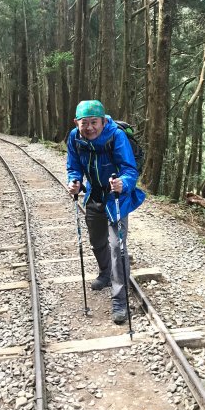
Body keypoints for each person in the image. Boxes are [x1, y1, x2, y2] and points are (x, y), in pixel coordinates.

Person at [66, 100, 145, 324]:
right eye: (84, 123)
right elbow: (73, 166)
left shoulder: (115, 136)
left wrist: (123, 183)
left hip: (116, 197)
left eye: (94, 122)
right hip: (94, 195)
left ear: (103, 121)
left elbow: (130, 169)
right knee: (96, 242)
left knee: (117, 247)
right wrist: (74, 181)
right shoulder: (74, 137)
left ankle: (119, 300)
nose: (89, 127)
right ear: (76, 123)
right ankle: (105, 273)